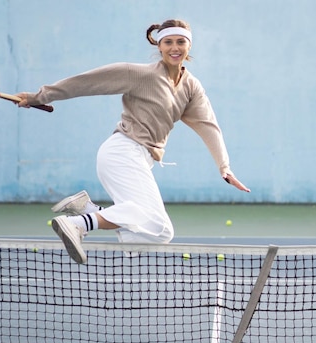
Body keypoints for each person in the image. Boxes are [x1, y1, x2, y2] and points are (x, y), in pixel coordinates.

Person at [17, 19, 250, 264]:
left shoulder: (191, 87)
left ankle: (89, 211)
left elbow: (208, 125)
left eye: (181, 42)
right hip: (122, 153)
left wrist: (224, 167)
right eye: (168, 42)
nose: (175, 47)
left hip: (139, 159)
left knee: (158, 232)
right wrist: (38, 97)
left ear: (189, 46)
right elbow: (85, 82)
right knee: (148, 217)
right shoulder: (140, 74)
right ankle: (77, 224)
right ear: (159, 46)